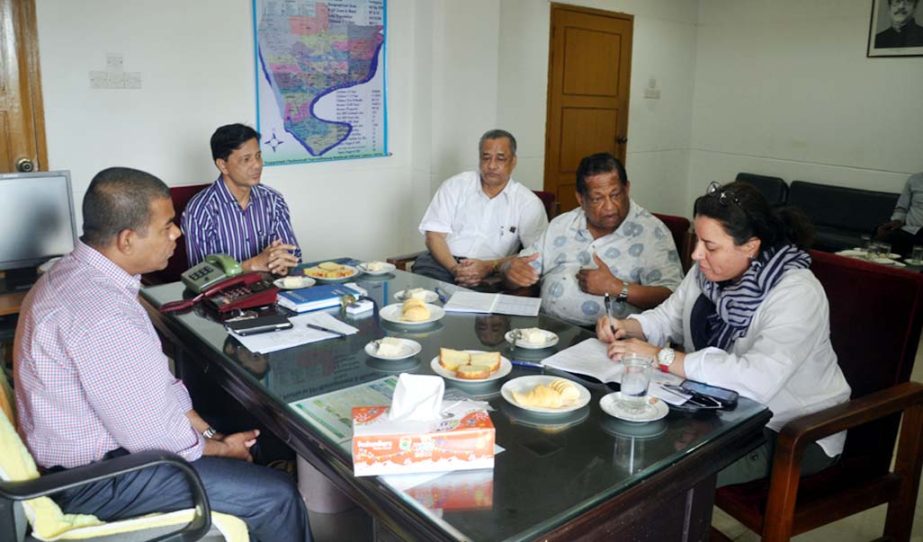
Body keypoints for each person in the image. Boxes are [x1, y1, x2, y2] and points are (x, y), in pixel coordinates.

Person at [14, 167, 310, 540]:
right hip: (98, 480)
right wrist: (218, 449)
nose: (177, 234)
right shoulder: (102, 315)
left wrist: (213, 433)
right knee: (276, 496)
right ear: (126, 240)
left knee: (253, 434)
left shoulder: (76, 275)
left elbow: (157, 387)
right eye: (167, 226)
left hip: (107, 454)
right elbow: (153, 435)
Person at [596, 181, 851, 487]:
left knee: (658, 476)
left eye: (710, 245)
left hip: (790, 430)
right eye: (698, 241)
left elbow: (757, 381)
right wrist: (627, 326)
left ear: (751, 246)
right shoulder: (709, 271)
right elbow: (668, 317)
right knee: (620, 438)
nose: (695, 254)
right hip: (718, 411)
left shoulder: (796, 292)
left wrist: (660, 356)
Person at [502, 152, 683, 327]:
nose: (610, 207)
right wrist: (511, 273)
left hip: (613, 340)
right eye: (597, 199)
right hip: (548, 330)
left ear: (626, 188)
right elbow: (522, 268)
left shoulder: (652, 233)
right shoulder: (562, 225)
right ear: (581, 199)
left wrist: (617, 287)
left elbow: (673, 298)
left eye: (615, 195)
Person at [414, 129, 548, 287]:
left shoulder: (527, 203)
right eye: (486, 158)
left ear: (513, 162)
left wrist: (489, 266)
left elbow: (535, 254)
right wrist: (455, 269)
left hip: (492, 272)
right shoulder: (455, 186)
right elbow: (434, 236)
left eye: (500, 159)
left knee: (473, 303)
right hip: (443, 264)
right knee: (421, 299)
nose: (491, 165)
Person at [183, 123, 301, 275]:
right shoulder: (201, 210)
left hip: (272, 288)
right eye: (246, 159)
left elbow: (294, 256)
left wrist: (283, 262)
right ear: (223, 165)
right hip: (226, 296)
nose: (257, 165)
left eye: (258, 156)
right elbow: (200, 276)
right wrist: (251, 265)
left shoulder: (273, 200)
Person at [875, 171, 923, 256]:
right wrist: (897, 221)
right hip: (910, 230)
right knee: (882, 235)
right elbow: (902, 207)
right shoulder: (915, 180)